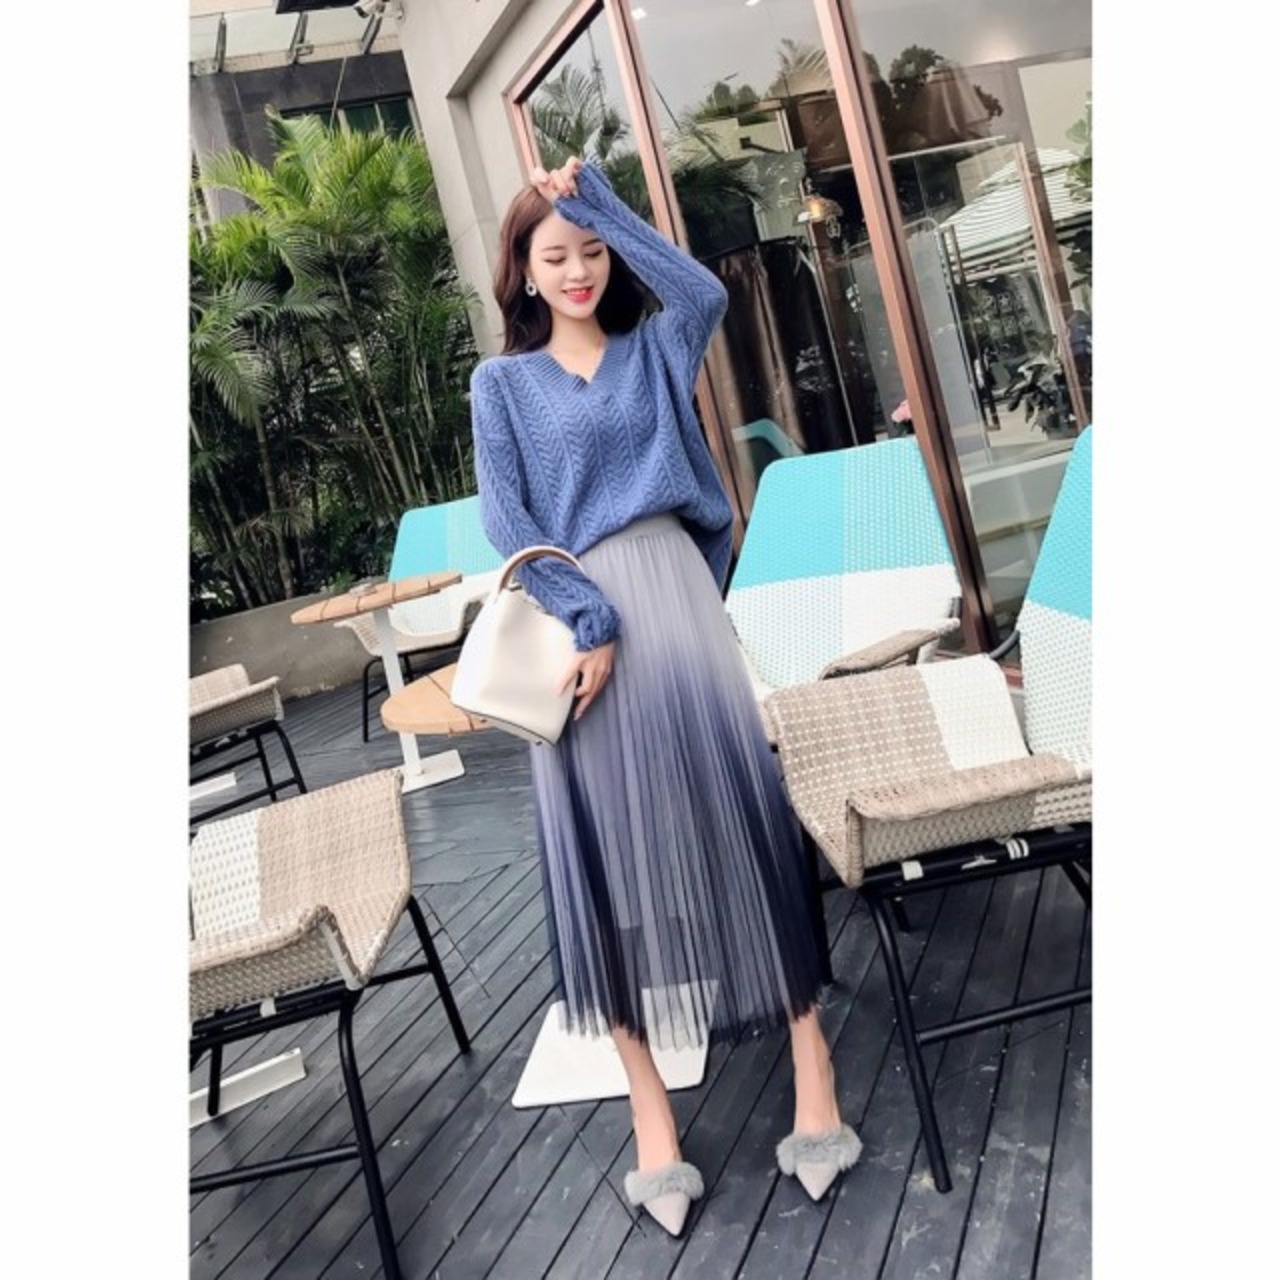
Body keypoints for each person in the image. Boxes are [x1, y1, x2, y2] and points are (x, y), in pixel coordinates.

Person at [469, 156, 860, 1237]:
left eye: (591, 250)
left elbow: (702, 294)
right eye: (556, 254)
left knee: (738, 821)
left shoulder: (652, 347)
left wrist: (597, 199)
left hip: (677, 604)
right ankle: (650, 1107)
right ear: (523, 270)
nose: (579, 270)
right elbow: (509, 523)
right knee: (606, 853)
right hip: (577, 627)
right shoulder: (501, 386)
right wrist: (588, 617)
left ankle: (810, 1058)